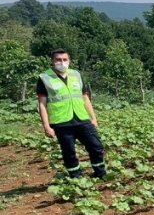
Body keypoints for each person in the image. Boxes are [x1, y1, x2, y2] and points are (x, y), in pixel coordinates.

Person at [37, 49, 106, 179]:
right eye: (58, 60)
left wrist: (93, 118)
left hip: (82, 118)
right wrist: (46, 126)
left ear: (69, 60)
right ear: (52, 61)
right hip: (61, 121)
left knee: (96, 146)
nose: (62, 62)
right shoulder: (44, 77)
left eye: (65, 59)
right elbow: (42, 104)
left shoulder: (76, 75)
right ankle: (76, 177)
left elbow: (85, 98)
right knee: (69, 152)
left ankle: (100, 174)